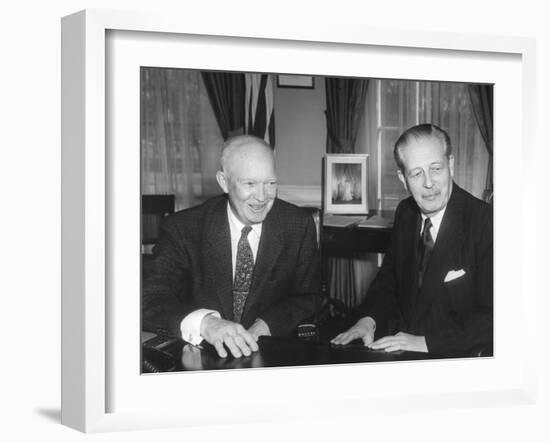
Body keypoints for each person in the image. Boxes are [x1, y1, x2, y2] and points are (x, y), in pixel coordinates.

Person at [143, 135, 321, 359]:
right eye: (249, 184)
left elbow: (309, 297)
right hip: (201, 357)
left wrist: (266, 326)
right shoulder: (184, 228)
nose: (262, 197)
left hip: (269, 353)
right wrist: (207, 324)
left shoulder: (297, 224)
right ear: (224, 182)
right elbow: (150, 299)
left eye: (271, 183)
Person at [331, 124, 493, 357]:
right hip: (401, 347)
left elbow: (496, 316)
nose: (429, 183)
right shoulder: (405, 212)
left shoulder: (486, 222)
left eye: (436, 168)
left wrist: (426, 343)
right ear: (402, 178)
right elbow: (389, 279)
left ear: (452, 165)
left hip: (455, 356)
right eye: (416, 173)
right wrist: (368, 320)